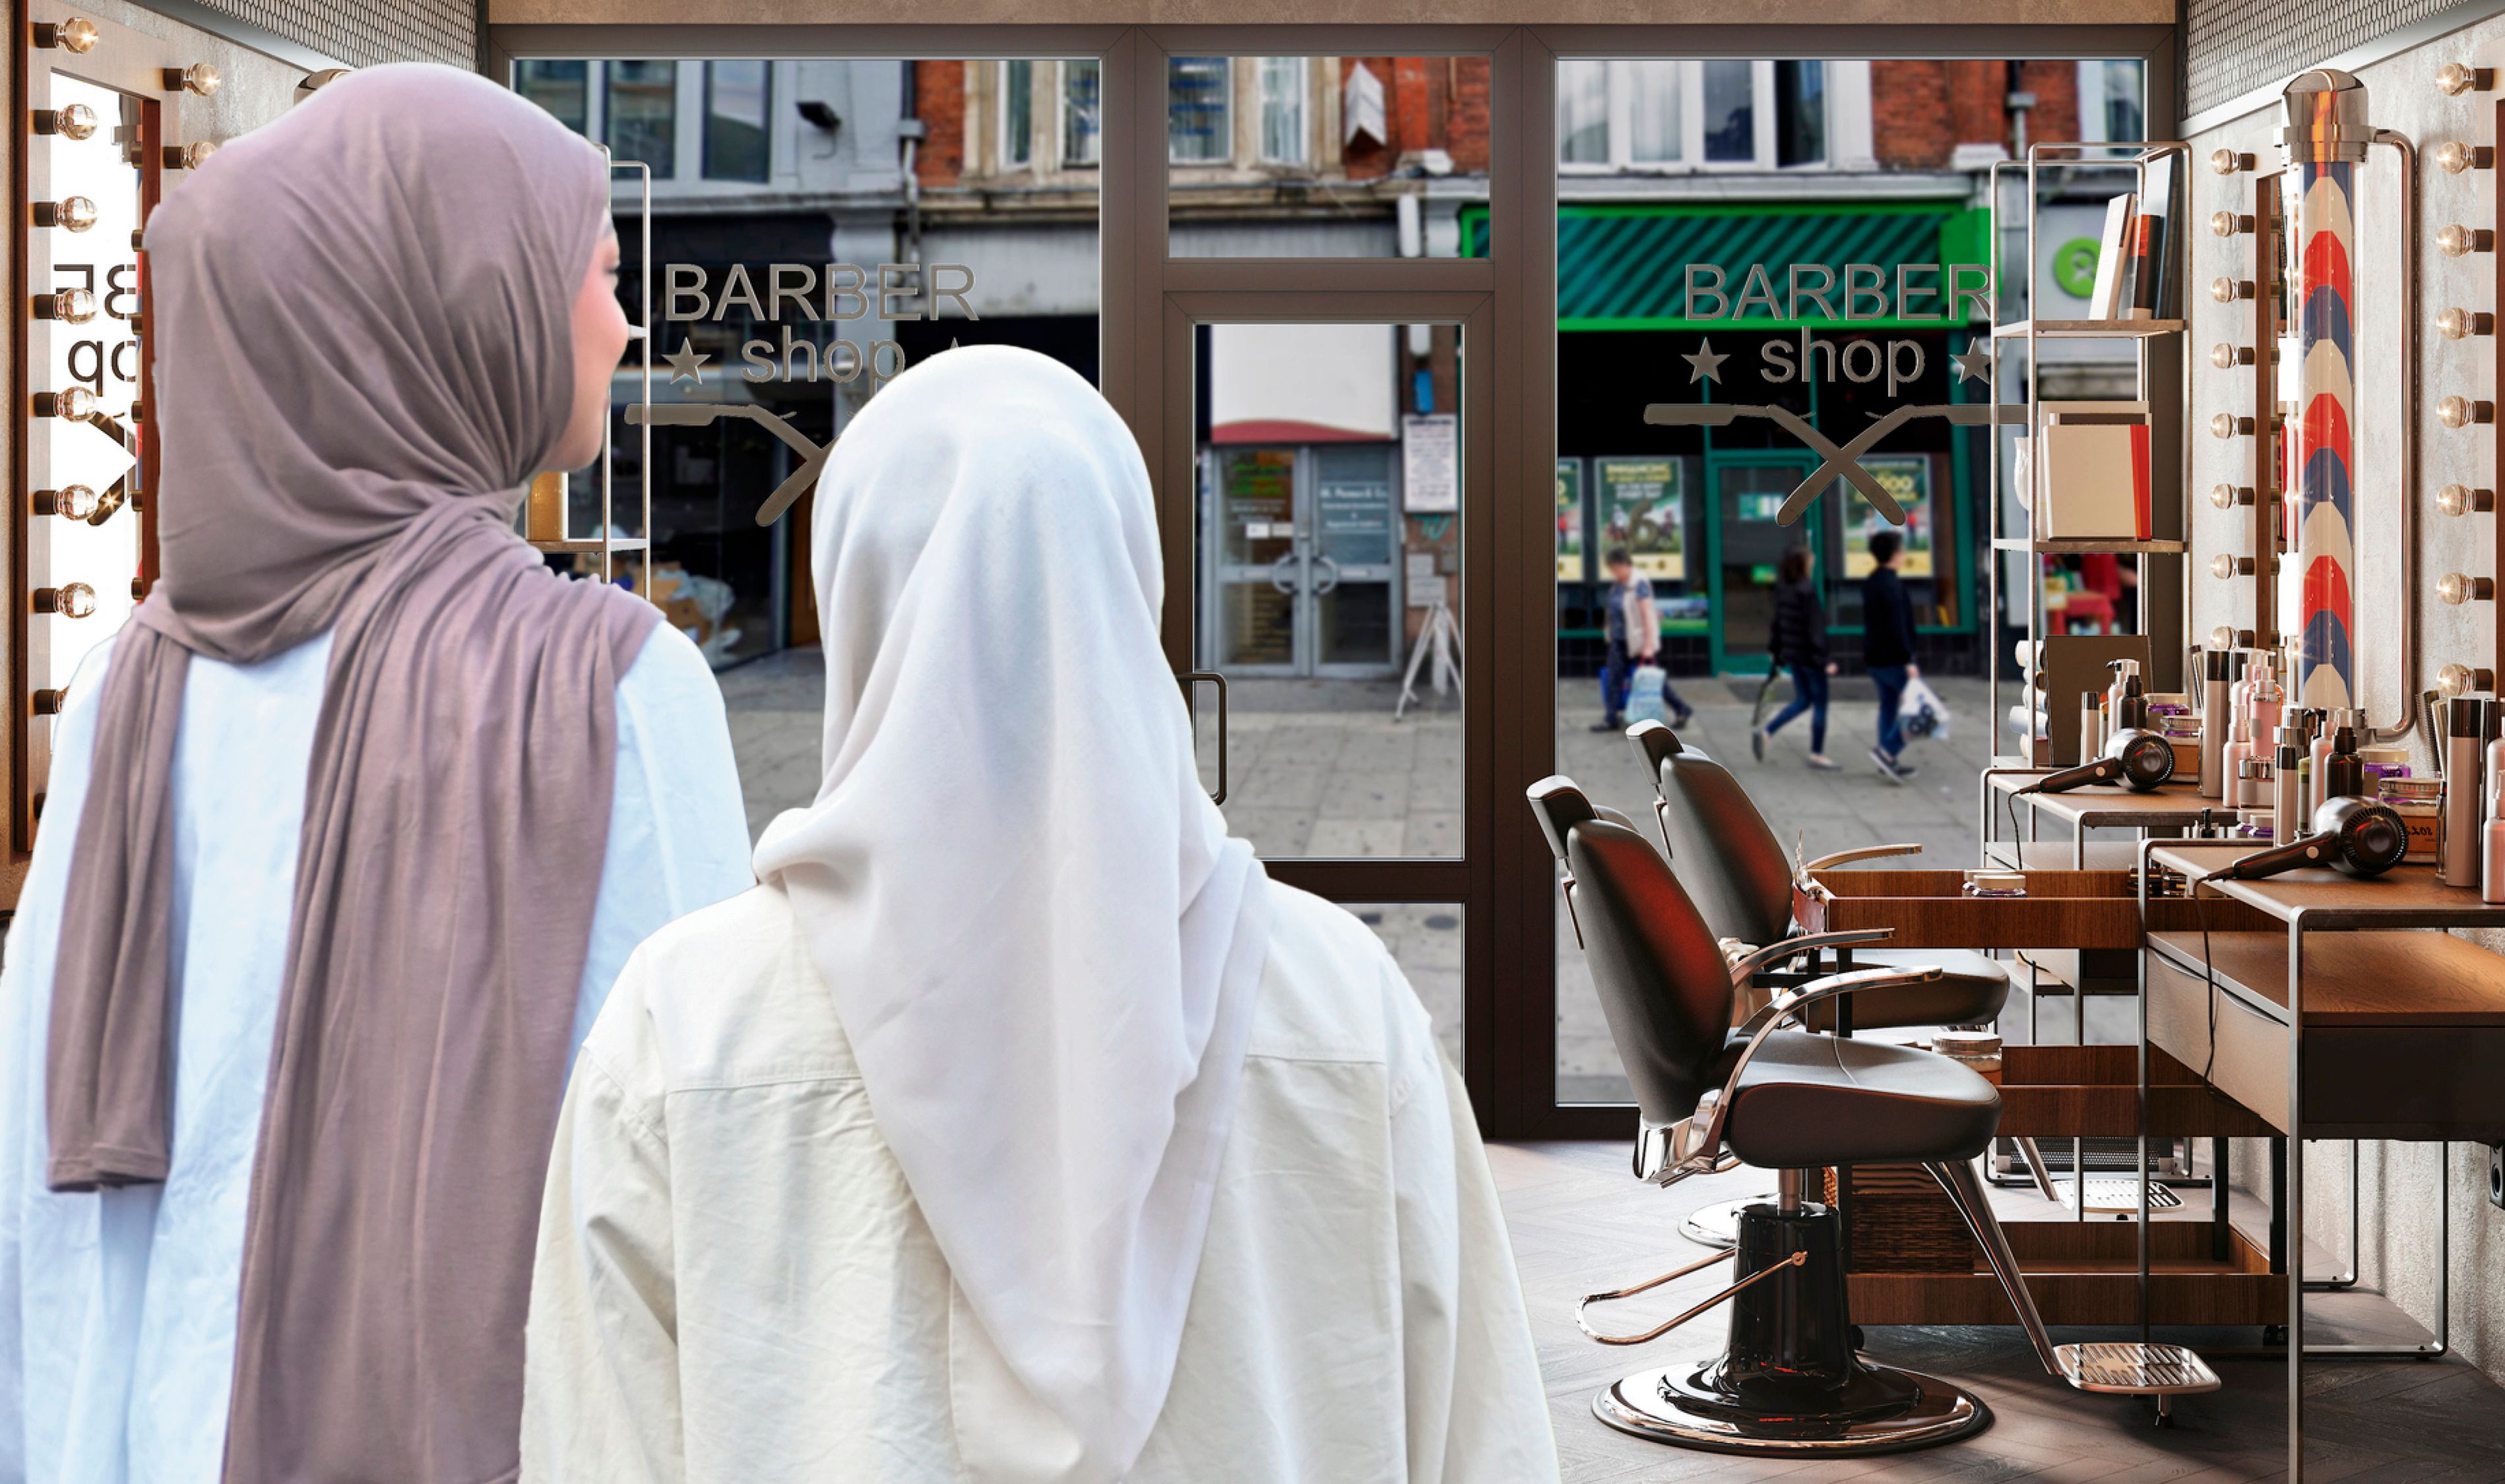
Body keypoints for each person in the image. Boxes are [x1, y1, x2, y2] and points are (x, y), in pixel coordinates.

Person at [520, 347, 1556, 1484]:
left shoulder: (685, 1024)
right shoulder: (1344, 999)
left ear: (859, 594)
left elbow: (597, 1444)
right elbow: (1485, 1438)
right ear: (1135, 584)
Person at [0, 67, 755, 1484]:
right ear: (455, 310)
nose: (623, 320)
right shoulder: (607, 687)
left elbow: (36, 1169)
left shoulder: (130, 685)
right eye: (590, 274)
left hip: (147, 1419)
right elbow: (694, 1152)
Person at [1591, 545, 1690, 732]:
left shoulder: (1639, 583)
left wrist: (1648, 646)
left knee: (1650, 681)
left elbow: (1648, 616)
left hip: (1637, 643)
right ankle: (1610, 718)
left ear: (1621, 564)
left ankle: (1681, 709)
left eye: (1612, 568)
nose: (1611, 572)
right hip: (1619, 641)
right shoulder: (1619, 584)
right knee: (1614, 679)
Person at [1759, 545, 1838, 770]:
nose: (1813, 561)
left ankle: (1768, 731)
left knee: (1804, 700)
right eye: (1810, 558)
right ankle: (1817, 753)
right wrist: (1827, 659)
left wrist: (1775, 651)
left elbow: (1778, 624)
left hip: (1795, 656)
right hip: (1812, 658)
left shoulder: (1784, 590)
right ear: (1802, 564)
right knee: (1820, 704)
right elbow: (1816, 629)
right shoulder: (1807, 590)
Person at [1862, 527, 1920, 783]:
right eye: (1901, 549)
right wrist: (1909, 660)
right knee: (1919, 710)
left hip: (1875, 656)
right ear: (1895, 554)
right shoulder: (1892, 585)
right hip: (1894, 658)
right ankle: (1887, 752)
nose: (1904, 553)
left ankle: (1887, 759)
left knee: (1888, 705)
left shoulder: (1873, 581)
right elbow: (1898, 626)